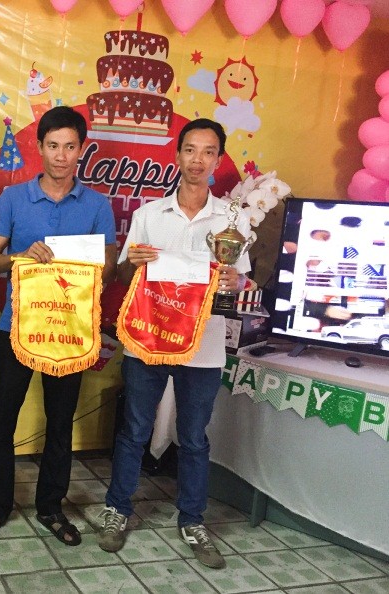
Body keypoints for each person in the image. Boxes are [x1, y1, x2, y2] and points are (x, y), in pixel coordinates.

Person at [97, 118, 250, 569]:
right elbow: (124, 274)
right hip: (148, 338)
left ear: (218, 160)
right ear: (178, 154)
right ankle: (117, 510)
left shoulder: (232, 219)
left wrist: (235, 280)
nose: (197, 160)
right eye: (190, 150)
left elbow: (240, 280)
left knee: (194, 438)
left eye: (208, 152)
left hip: (203, 346)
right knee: (133, 430)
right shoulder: (149, 214)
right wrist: (134, 262)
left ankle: (193, 520)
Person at [0, 106, 117, 546]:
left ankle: (51, 506)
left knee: (60, 422)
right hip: (16, 326)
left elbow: (109, 268)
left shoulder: (97, 204)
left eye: (70, 146)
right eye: (53, 145)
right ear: (40, 148)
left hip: (69, 330)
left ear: (82, 150)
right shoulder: (13, 198)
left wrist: (82, 261)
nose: (61, 155)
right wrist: (20, 256)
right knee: (3, 420)